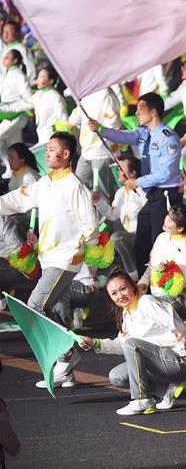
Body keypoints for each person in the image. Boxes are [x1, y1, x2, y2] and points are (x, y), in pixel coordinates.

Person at [0, 132, 99, 389]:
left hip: (65, 259)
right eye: (47, 148)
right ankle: (66, 372)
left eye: (53, 148)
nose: (47, 153)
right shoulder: (44, 184)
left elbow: (91, 224)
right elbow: (16, 199)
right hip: (48, 258)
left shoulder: (75, 185)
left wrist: (84, 246)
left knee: (35, 305)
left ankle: (68, 354)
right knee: (56, 310)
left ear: (66, 154)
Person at [77, 270, 186, 415]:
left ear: (133, 286)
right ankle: (164, 390)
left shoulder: (147, 302)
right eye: (114, 293)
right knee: (116, 376)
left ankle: (141, 399)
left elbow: (176, 324)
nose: (120, 296)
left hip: (178, 360)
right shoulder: (127, 313)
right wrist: (95, 343)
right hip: (160, 361)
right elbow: (122, 345)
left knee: (133, 345)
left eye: (123, 289)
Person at [87, 93, 182, 272]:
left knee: (159, 242)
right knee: (142, 243)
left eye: (140, 108)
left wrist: (137, 181)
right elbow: (122, 136)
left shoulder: (168, 138)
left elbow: (166, 173)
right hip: (152, 195)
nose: (136, 112)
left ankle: (165, 283)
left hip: (166, 194)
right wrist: (100, 129)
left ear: (153, 112)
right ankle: (142, 282)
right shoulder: (144, 133)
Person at [93, 157, 147, 280]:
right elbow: (112, 215)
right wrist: (98, 201)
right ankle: (134, 275)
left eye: (120, 169)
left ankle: (134, 277)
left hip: (144, 236)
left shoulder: (143, 190)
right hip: (131, 237)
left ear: (132, 173)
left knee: (117, 238)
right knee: (116, 239)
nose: (118, 171)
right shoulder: (120, 192)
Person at [137, 205, 186, 314]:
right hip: (157, 295)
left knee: (145, 306)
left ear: (180, 228)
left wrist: (163, 272)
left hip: (176, 299)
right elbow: (152, 265)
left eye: (170, 220)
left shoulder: (185, 250)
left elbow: (177, 286)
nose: (165, 220)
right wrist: (142, 283)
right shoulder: (162, 237)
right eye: (167, 216)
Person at [68, 86, 122, 198]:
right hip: (85, 152)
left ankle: (104, 216)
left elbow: (114, 123)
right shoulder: (86, 93)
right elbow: (77, 116)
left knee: (101, 193)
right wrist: (70, 123)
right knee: (79, 188)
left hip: (101, 152)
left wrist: (110, 141)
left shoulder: (106, 93)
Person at [0, 50, 32, 179]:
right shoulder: (5, 74)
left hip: (17, 117)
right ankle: (18, 173)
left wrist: (10, 108)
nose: (4, 59)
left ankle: (10, 166)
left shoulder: (19, 75)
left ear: (15, 61)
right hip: (7, 116)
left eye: (8, 57)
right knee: (17, 148)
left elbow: (30, 101)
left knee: (14, 147)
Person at [30, 66, 68, 145]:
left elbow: (63, 119)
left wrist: (58, 136)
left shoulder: (56, 97)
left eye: (42, 77)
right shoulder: (38, 94)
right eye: (38, 77)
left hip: (51, 136)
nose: (38, 80)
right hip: (41, 134)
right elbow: (24, 105)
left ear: (50, 81)